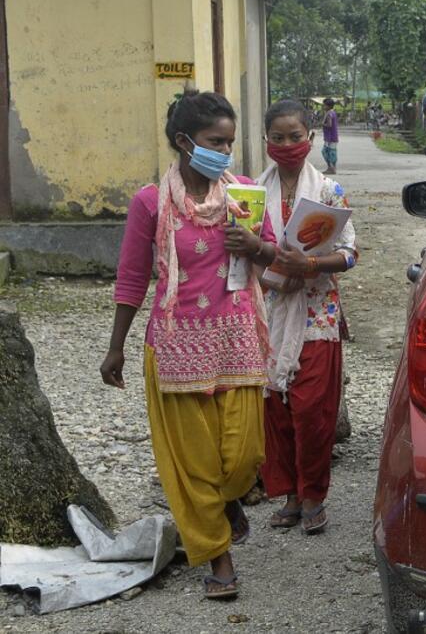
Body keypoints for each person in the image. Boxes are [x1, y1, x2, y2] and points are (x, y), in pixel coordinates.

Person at [101, 90, 308, 599]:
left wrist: (255, 245)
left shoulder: (242, 193)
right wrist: (116, 347)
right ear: (184, 141)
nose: (226, 152)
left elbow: (272, 262)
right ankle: (220, 559)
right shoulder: (151, 202)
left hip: (237, 338)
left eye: (231, 142)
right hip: (174, 347)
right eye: (217, 141)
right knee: (193, 462)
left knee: (243, 456)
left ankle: (230, 501)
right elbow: (131, 279)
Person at [257, 99, 357, 535]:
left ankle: (314, 493)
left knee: (311, 410)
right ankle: (291, 495)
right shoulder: (250, 194)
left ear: (310, 139)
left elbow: (351, 254)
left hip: (317, 314)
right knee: (274, 409)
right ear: (266, 143)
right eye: (277, 138)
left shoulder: (330, 193)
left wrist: (311, 266)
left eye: (295, 136)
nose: (287, 145)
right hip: (267, 312)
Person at [321, 97, 339, 175]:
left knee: (327, 152)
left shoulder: (329, 114)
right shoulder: (332, 112)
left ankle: (331, 168)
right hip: (332, 136)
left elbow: (329, 125)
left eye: (324, 105)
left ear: (328, 106)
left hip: (330, 137)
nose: (323, 107)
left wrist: (322, 124)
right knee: (331, 152)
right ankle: (331, 168)